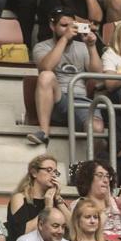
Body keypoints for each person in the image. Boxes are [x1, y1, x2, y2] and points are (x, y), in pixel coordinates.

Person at [28, 11, 103, 147]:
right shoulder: (41, 47)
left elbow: (98, 75)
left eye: (71, 26)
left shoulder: (82, 47)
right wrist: (64, 39)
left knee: (97, 128)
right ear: (52, 26)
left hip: (80, 100)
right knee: (46, 75)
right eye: (63, 26)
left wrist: (91, 47)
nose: (68, 30)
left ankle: (92, 166)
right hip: (57, 100)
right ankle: (44, 132)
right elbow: (47, 67)